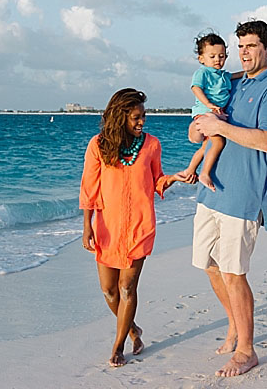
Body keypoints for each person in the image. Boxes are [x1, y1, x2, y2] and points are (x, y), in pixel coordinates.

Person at [190, 19, 267, 377]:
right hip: (210, 192)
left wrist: (220, 127)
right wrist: (199, 127)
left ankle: (247, 350)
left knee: (234, 273)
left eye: (251, 46)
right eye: (241, 46)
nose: (244, 52)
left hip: (244, 195)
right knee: (210, 265)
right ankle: (234, 325)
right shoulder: (230, 83)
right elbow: (199, 131)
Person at [80, 88, 191, 367]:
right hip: (107, 226)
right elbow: (89, 188)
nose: (142, 122)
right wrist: (87, 226)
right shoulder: (98, 145)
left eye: (143, 116)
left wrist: (173, 178)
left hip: (140, 225)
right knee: (109, 291)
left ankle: (118, 347)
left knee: (127, 287)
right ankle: (132, 329)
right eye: (136, 117)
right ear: (120, 117)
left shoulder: (151, 145)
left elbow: (156, 181)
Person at [183, 32, 242, 191]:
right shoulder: (203, 72)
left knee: (205, 147)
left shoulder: (223, 75)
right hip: (206, 112)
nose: (217, 60)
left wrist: (251, 72)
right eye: (212, 56)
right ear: (201, 59)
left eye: (221, 56)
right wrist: (209, 104)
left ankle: (190, 170)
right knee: (218, 142)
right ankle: (205, 173)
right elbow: (196, 88)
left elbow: (237, 75)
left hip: (215, 114)